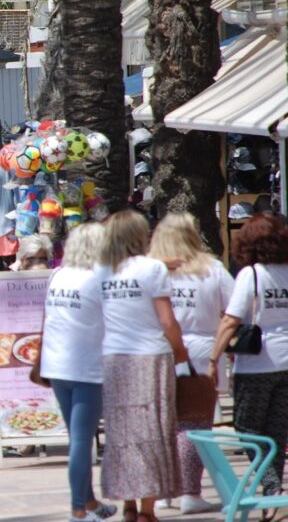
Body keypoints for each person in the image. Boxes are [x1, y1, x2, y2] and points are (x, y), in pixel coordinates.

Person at [98, 210, 187, 522]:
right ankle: (148, 510)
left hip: (113, 358)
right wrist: (180, 350)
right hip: (152, 356)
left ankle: (128, 505)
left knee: (121, 434)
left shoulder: (100, 271)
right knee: (154, 431)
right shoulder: (152, 269)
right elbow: (167, 320)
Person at [33, 223, 119, 522]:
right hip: (86, 367)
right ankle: (77, 511)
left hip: (56, 365)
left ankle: (90, 502)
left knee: (77, 438)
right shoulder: (100, 277)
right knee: (82, 441)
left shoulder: (58, 274)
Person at [148, 212, 230, 514]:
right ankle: (190, 493)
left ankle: (160, 493)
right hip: (202, 351)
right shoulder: (213, 269)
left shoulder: (150, 271)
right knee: (194, 424)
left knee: (160, 423)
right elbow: (236, 310)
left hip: (159, 350)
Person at [212, 213, 288, 500]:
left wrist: (212, 360)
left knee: (247, 426)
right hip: (286, 361)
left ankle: (268, 482)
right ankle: (273, 487)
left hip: (257, 363)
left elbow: (231, 320)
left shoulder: (251, 274)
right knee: (276, 430)